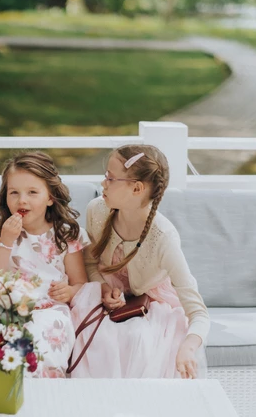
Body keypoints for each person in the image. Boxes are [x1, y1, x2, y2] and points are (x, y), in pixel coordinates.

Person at [69, 144, 209, 379]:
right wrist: (103, 287)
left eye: (111, 178)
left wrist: (188, 347)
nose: (103, 183)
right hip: (104, 298)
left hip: (150, 305)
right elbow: (90, 263)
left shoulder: (163, 239)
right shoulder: (97, 211)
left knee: (139, 340)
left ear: (136, 188)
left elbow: (199, 313)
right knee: (95, 335)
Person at [0, 152, 89, 378]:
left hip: (50, 311)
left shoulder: (65, 234)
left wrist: (70, 291)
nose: (22, 200)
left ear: (50, 197)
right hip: (6, 310)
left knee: (39, 346)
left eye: (32, 192)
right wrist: (6, 241)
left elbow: (81, 282)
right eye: (14, 193)